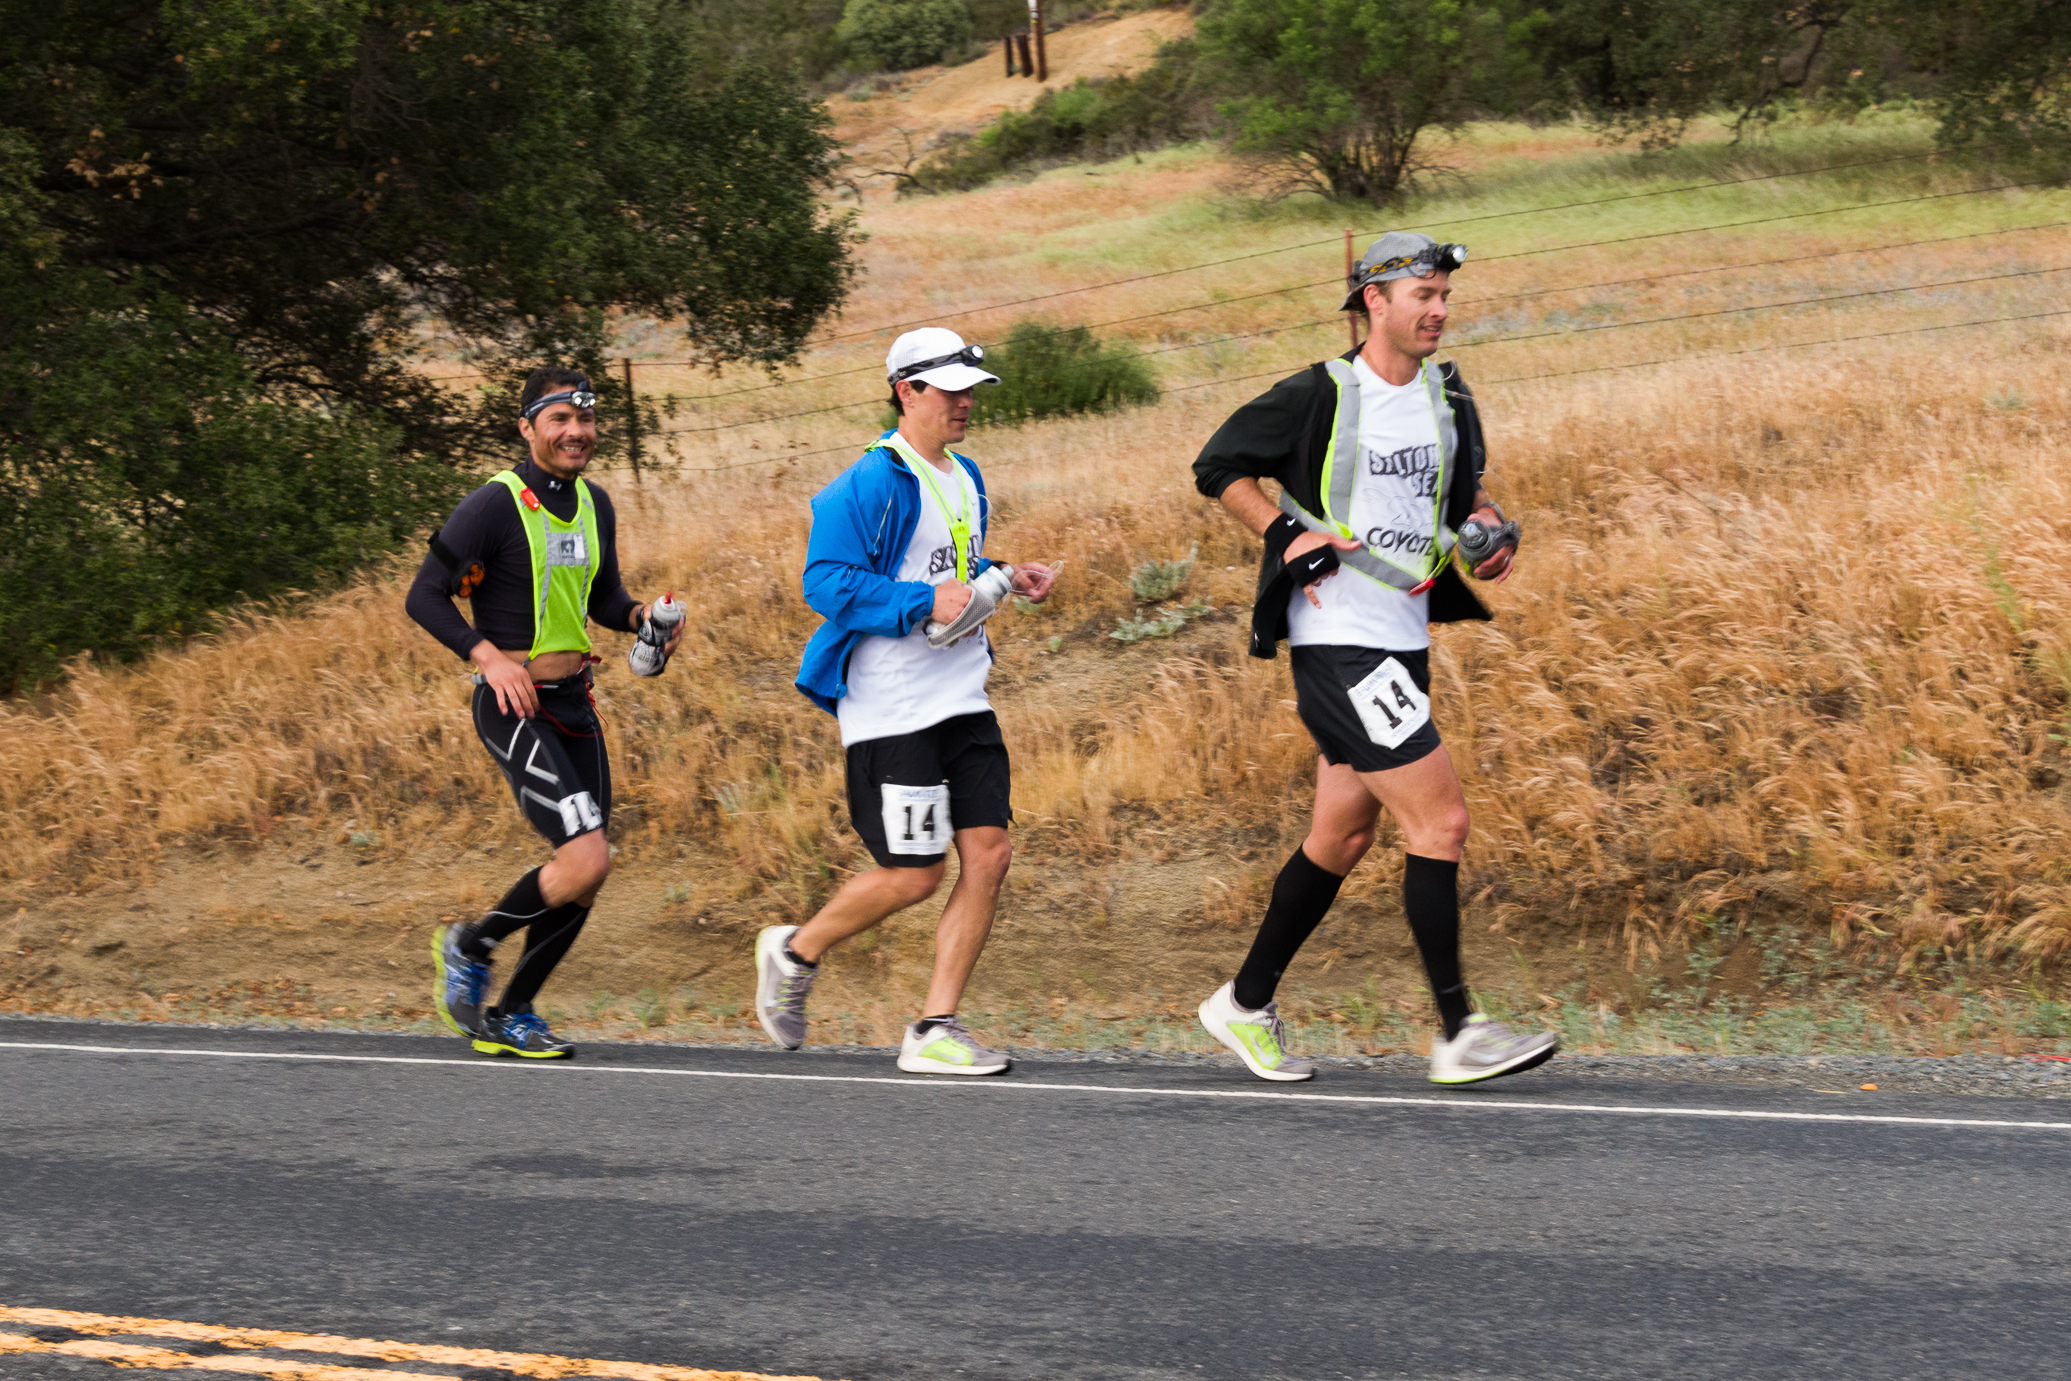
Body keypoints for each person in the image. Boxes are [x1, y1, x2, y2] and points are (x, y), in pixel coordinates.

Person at [1189, 233, 1559, 1085]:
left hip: (1403, 637)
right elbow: (1219, 467)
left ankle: (1243, 1002)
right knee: (1441, 822)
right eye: (1420, 295)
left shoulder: (1449, 392)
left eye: (1442, 297)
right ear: (1373, 302)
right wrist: (1286, 531)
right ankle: (1459, 1028)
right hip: (1337, 644)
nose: (1436, 310)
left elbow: (1467, 496)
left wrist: (1490, 536)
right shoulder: (1317, 392)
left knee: (1342, 832)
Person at [759, 328, 1059, 1075]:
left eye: (969, 389)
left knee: (989, 854)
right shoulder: (866, 481)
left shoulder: (965, 474)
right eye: (949, 389)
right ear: (906, 391)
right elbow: (824, 583)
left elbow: (950, 564)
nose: (964, 403)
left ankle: (934, 1027)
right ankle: (796, 950)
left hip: (962, 695)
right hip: (891, 706)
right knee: (915, 873)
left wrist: (1003, 575)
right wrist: (922, 598)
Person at [407, 367, 683, 1059]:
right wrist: (487, 657)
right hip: (513, 702)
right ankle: (470, 946)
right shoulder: (494, 505)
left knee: (587, 872)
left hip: (574, 702)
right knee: (586, 855)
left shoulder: (595, 504)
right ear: (527, 427)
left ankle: (515, 1012)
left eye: (585, 420)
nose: (576, 432)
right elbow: (425, 595)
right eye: (559, 419)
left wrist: (643, 617)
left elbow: (603, 598)